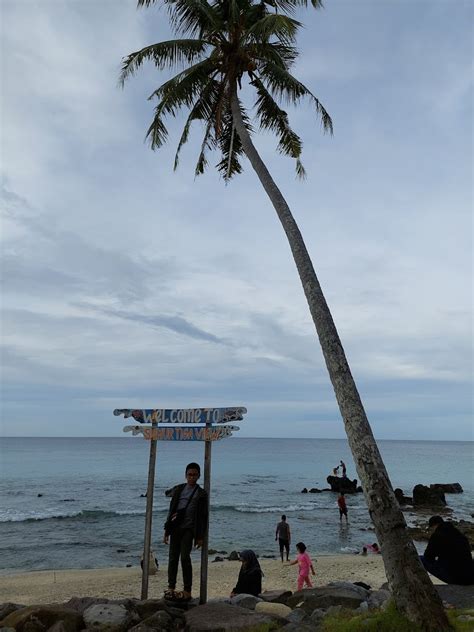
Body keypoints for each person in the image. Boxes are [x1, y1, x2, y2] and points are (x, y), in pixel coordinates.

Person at [163, 462, 208, 601]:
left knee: (184, 558)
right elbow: (171, 510)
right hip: (175, 528)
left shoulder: (201, 494)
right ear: (185, 475)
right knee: (172, 558)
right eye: (189, 475)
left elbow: (203, 516)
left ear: (199, 476)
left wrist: (200, 537)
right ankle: (171, 587)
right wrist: (166, 530)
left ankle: (187, 589)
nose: (192, 477)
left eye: (195, 475)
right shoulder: (179, 489)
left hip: (189, 529)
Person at [420, 516, 474, 585]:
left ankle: (422, 585)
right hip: (469, 578)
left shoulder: (437, 535)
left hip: (454, 578)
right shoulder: (459, 535)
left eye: (431, 529)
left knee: (419, 558)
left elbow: (428, 557)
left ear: (434, 526)